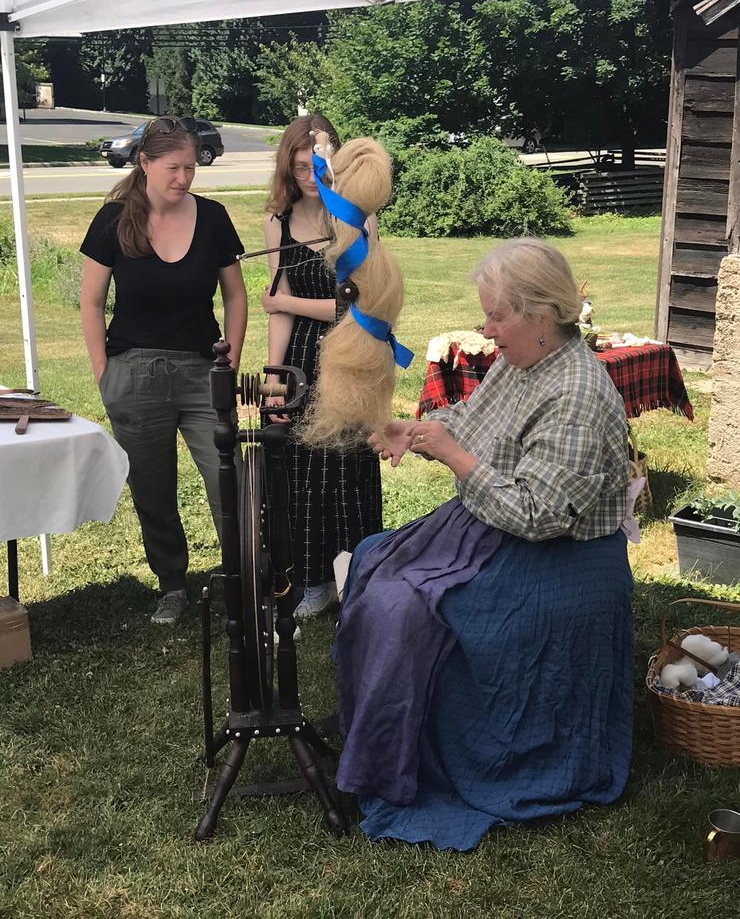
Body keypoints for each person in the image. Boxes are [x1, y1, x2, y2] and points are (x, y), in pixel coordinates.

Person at [334, 238, 634, 851]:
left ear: (541, 315)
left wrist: (454, 458)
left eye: (497, 315)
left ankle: (408, 758)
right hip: (491, 526)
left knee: (400, 607)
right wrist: (417, 431)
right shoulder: (522, 360)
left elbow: (537, 514)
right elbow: (472, 417)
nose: (487, 328)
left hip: (551, 557)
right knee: (371, 558)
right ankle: (384, 735)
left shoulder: (576, 395)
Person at [79, 115, 247, 625]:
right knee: (153, 491)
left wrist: (230, 361)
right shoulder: (112, 221)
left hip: (202, 373)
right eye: (173, 168)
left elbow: (236, 296)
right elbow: (91, 303)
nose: (184, 179)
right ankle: (173, 584)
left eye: (191, 168)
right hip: (133, 374)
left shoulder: (213, 218)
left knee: (229, 482)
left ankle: (243, 580)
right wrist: (103, 373)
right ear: (145, 163)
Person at [261, 114, 382, 619]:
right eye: (299, 168)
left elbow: (360, 304)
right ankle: (313, 581)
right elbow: (277, 304)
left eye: (317, 166)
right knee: (305, 467)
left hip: (350, 351)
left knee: (349, 465)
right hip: (302, 359)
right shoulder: (277, 223)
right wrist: (273, 376)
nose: (309, 177)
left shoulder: (357, 219)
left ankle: (358, 577)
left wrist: (286, 305)